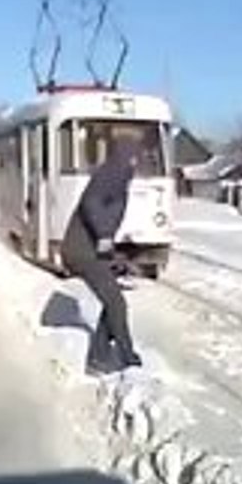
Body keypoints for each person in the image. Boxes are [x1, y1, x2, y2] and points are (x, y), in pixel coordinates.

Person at [61, 133, 144, 375]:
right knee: (116, 303)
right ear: (126, 156)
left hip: (89, 249)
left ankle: (98, 357)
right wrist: (105, 234)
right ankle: (127, 358)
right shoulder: (112, 173)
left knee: (113, 301)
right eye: (135, 157)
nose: (137, 162)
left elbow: (104, 209)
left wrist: (115, 252)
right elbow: (91, 202)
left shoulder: (117, 174)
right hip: (81, 251)